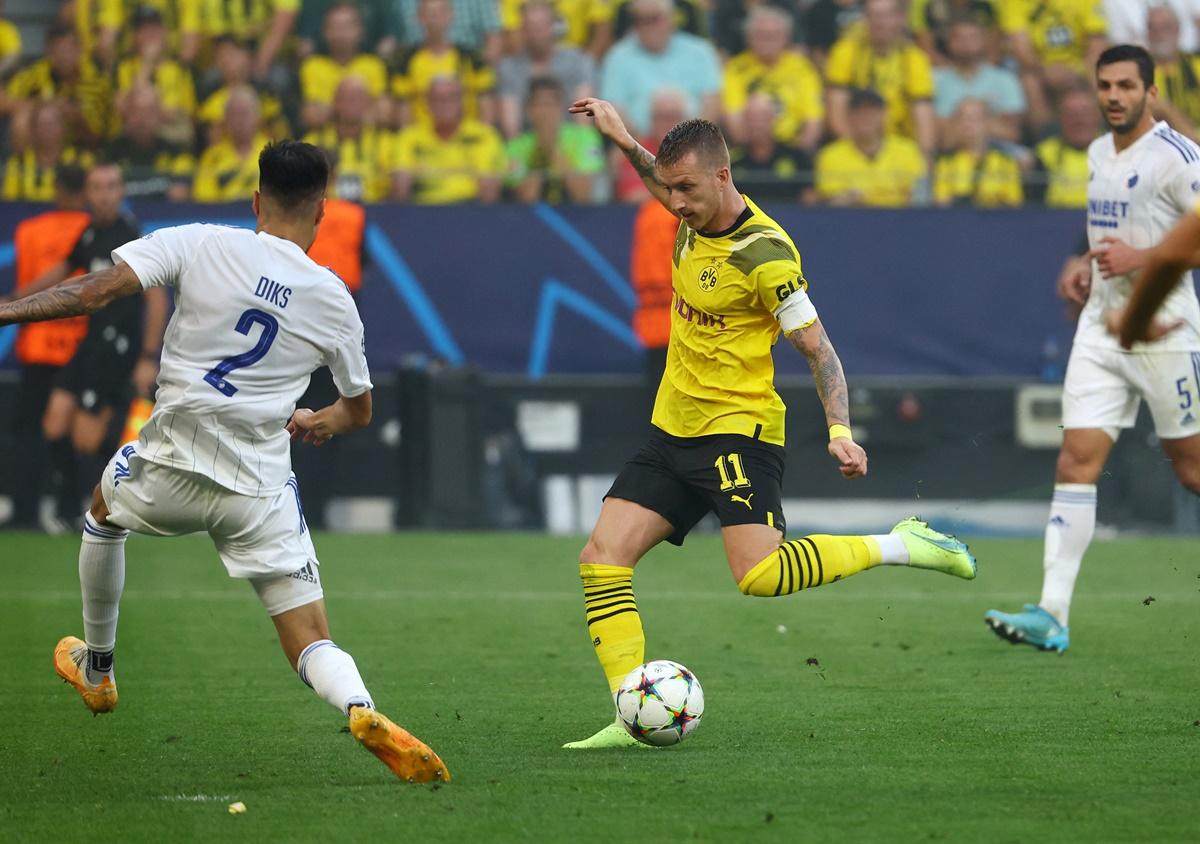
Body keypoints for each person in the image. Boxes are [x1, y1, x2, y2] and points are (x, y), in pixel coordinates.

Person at [0, 140, 449, 784]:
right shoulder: (333, 297)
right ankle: (361, 706)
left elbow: (93, 293)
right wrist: (315, 419)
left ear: (255, 201)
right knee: (310, 635)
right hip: (259, 488)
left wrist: (7, 310)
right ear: (323, 211)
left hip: (170, 464)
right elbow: (358, 411)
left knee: (102, 512)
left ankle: (98, 668)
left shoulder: (198, 241)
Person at [563, 95, 977, 749]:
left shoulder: (767, 254)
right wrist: (622, 139)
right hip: (674, 426)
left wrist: (840, 430)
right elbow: (657, 175)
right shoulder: (687, 206)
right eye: (669, 190)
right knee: (602, 558)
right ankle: (628, 713)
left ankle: (903, 544)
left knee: (760, 576)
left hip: (739, 431)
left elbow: (820, 348)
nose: (675, 203)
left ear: (723, 178)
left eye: (688, 190)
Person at [985, 46, 1200, 653]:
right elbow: (1108, 230)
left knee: (1191, 471)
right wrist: (1082, 263)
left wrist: (1144, 259)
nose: (1113, 96)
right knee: (1075, 462)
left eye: (1127, 86)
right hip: (1102, 331)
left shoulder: (1180, 158)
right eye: (1105, 85)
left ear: (1151, 93)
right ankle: (1052, 614)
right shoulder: (1097, 152)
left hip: (1166, 333)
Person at [8, 164, 165, 531]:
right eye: (97, 187)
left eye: (111, 186)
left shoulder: (131, 238)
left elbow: (156, 299)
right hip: (89, 345)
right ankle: (69, 508)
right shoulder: (91, 233)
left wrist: (147, 356)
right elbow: (62, 271)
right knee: (54, 422)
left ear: (122, 191)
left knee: (87, 437)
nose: (104, 194)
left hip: (116, 351)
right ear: (87, 194)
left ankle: (105, 512)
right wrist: (13, 300)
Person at [1, 165, 90, 530]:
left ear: (55, 187)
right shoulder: (92, 229)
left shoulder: (30, 231)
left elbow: (29, 285)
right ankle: (71, 508)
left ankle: (25, 509)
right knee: (70, 431)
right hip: (78, 344)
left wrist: (12, 304)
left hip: (39, 345)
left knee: (28, 432)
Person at [825, 0, 936, 162]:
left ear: (900, 19)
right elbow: (836, 115)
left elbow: (923, 118)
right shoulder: (845, 51)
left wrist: (925, 160)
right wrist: (859, 153)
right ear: (865, 19)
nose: (880, 22)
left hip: (900, 146)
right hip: (854, 144)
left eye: (887, 16)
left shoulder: (914, 58)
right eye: (874, 16)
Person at [598, 0, 722, 137]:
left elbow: (712, 105)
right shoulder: (617, 57)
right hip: (638, 144)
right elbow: (613, 110)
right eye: (641, 20)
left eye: (655, 18)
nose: (648, 26)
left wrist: (690, 143)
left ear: (671, 19)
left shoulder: (701, 52)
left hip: (694, 143)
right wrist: (642, 147)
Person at [722, 5, 824, 154]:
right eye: (761, 35)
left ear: (786, 38)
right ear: (748, 38)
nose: (767, 40)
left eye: (774, 35)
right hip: (750, 151)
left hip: (794, 148)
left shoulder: (803, 69)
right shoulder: (735, 69)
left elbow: (813, 121)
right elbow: (735, 123)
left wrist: (798, 155)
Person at [392, 76, 506, 203]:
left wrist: (428, 172)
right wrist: (463, 171)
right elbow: (400, 188)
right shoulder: (409, 137)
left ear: (462, 101)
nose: (444, 104)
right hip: (422, 209)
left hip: (470, 210)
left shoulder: (484, 135)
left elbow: (489, 191)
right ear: (427, 103)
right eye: (437, 99)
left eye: (451, 98)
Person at [496, 0, 596, 138]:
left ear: (553, 27)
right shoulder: (508, 68)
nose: (537, 34)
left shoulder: (578, 61)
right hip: (527, 142)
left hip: (571, 140)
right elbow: (511, 130)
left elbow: (584, 122)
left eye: (541, 27)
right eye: (531, 27)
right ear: (523, 30)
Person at [815, 88, 927, 207]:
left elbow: (920, 196)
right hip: (851, 221)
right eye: (860, 113)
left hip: (900, 221)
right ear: (849, 116)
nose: (866, 119)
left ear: (884, 115)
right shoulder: (831, 155)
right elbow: (830, 204)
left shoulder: (907, 150)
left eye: (871, 113)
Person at [392, 0, 496, 128]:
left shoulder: (471, 58)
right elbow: (404, 109)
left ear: (451, 16)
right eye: (429, 14)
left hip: (466, 137)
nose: (434, 19)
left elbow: (485, 103)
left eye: (439, 13)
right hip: (423, 139)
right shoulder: (407, 62)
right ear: (419, 18)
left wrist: (483, 135)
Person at [506, 76, 604, 203]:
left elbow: (582, 194)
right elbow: (527, 197)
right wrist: (541, 148)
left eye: (550, 104)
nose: (545, 112)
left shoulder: (585, 138)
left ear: (561, 108)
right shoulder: (515, 146)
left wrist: (553, 148)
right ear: (529, 110)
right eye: (539, 105)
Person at [933, 16, 1026, 145]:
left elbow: (1012, 133)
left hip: (998, 149)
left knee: (1025, 158)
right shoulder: (934, 80)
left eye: (972, 37)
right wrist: (985, 124)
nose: (966, 43)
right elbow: (936, 131)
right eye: (959, 38)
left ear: (983, 41)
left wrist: (962, 125)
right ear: (948, 42)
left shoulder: (1005, 79)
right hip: (948, 150)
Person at [299, 2, 389, 131]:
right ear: (325, 31)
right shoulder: (313, 66)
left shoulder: (373, 65)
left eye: (347, 26)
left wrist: (333, 110)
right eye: (335, 27)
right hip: (325, 143)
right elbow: (311, 116)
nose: (341, 33)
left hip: (370, 142)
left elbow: (383, 114)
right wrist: (356, 109)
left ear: (360, 30)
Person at [104, 83, 194, 202]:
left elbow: (180, 194)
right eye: (136, 111)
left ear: (159, 116)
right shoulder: (111, 152)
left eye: (150, 112)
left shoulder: (177, 153)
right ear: (126, 116)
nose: (143, 119)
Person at [933, 98, 1024, 207]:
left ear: (988, 123)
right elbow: (941, 205)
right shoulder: (945, 164)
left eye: (975, 119)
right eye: (962, 118)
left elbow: (1014, 205)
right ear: (955, 124)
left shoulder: (1006, 163)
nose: (968, 125)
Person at [728, 93, 813, 203]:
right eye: (752, 118)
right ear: (744, 121)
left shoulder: (797, 157)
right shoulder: (732, 162)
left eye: (762, 117)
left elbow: (810, 199)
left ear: (773, 119)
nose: (757, 124)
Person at [194, 86, 272, 202]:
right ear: (225, 120)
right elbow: (205, 200)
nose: (239, 121)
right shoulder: (212, 157)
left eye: (244, 114)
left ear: (258, 117)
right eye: (234, 115)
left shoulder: (273, 153)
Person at [1031, 86, 1100, 207]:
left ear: (1098, 116)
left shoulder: (1117, 152)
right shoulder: (1042, 154)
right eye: (1071, 114)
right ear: (1059, 118)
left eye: (1085, 113)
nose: (1079, 120)